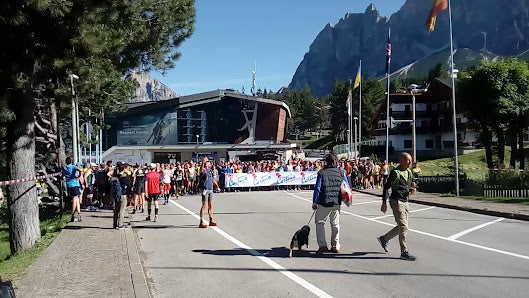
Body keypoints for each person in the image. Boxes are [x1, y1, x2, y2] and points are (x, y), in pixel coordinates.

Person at [377, 152, 417, 261]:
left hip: (405, 201)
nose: (410, 162)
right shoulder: (395, 173)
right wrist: (384, 202)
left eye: (410, 160)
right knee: (403, 226)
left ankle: (384, 239)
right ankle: (404, 251)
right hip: (396, 201)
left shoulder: (409, 172)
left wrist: (411, 190)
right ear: (402, 161)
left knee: (403, 226)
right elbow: (386, 187)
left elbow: (407, 187)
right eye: (408, 160)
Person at [312, 153, 349, 255]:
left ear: (326, 162)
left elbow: (318, 189)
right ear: (336, 161)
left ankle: (322, 245)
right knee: (335, 224)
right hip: (336, 202)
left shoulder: (322, 173)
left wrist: (315, 202)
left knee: (320, 222)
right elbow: (346, 186)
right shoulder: (341, 172)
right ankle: (335, 246)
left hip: (324, 201)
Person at [62, 157, 83, 222]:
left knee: (76, 199)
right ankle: (73, 214)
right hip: (75, 184)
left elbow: (63, 175)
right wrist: (79, 175)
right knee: (75, 199)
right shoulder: (73, 167)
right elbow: (81, 170)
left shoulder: (65, 168)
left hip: (69, 184)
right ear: (71, 161)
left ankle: (79, 214)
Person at [198, 160, 217, 228]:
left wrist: (217, 186)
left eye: (209, 163)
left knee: (210, 205)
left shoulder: (210, 171)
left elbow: (212, 180)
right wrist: (203, 162)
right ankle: (201, 221)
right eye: (207, 163)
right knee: (204, 205)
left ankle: (211, 220)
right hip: (205, 189)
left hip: (210, 189)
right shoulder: (204, 171)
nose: (209, 164)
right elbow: (200, 169)